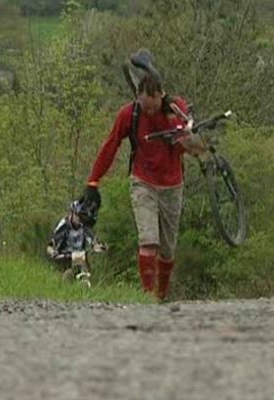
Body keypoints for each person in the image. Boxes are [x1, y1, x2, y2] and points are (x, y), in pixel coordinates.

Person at [83, 49, 205, 300]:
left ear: (160, 96)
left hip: (173, 184)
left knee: (168, 251)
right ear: (138, 97)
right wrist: (93, 181)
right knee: (149, 241)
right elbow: (110, 146)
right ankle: (147, 297)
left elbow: (195, 148)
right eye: (144, 107)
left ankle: (161, 295)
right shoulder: (130, 114)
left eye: (153, 107)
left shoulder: (175, 109)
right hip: (143, 182)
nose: (149, 112)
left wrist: (183, 133)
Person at [46, 200, 107, 276]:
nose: (79, 218)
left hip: (80, 258)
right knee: (67, 276)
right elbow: (50, 245)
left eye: (82, 216)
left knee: (89, 275)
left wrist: (99, 247)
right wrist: (53, 253)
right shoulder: (64, 225)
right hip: (65, 258)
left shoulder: (85, 227)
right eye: (77, 215)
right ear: (72, 213)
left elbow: (92, 241)